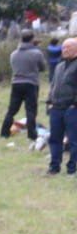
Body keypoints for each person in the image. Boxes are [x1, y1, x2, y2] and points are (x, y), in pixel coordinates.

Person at [3, 30, 46, 146]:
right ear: (32, 39)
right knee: (31, 110)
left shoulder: (13, 54)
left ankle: (5, 132)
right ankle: (32, 134)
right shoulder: (36, 53)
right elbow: (42, 67)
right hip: (31, 83)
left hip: (16, 83)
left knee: (12, 110)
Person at [46, 37, 77, 175]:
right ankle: (54, 166)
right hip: (56, 108)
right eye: (63, 47)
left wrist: (74, 104)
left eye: (68, 47)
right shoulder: (59, 66)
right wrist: (49, 102)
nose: (65, 50)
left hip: (72, 108)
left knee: (73, 140)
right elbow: (53, 85)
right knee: (54, 139)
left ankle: (72, 168)